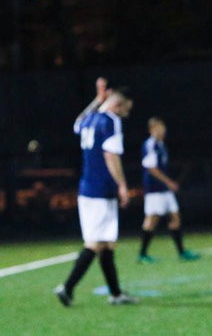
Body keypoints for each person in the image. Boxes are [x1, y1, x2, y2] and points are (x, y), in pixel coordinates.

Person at [54, 78, 138, 306]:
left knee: (107, 243)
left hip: (88, 189)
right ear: (117, 105)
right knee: (95, 243)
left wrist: (97, 100)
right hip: (102, 190)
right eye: (126, 109)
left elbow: (76, 123)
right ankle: (67, 288)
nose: (126, 114)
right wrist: (122, 185)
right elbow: (110, 155)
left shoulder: (90, 118)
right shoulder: (111, 121)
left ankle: (116, 294)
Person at [138, 117, 200, 263]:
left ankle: (182, 252)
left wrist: (167, 184)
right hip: (154, 189)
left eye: (163, 127)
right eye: (159, 128)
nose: (162, 130)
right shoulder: (150, 144)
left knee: (175, 217)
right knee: (151, 220)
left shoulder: (161, 145)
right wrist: (169, 182)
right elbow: (151, 168)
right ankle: (142, 254)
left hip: (164, 189)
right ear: (152, 129)